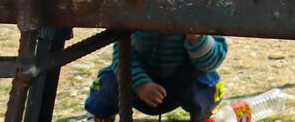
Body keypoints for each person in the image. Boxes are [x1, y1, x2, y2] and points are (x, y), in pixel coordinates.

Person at [84, 32, 225, 122]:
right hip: (136, 81)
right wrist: (140, 83)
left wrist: (197, 38)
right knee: (108, 80)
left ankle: (203, 117)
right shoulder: (136, 1)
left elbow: (211, 63)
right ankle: (101, 116)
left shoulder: (202, 4)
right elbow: (120, 53)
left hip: (182, 82)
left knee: (207, 83)